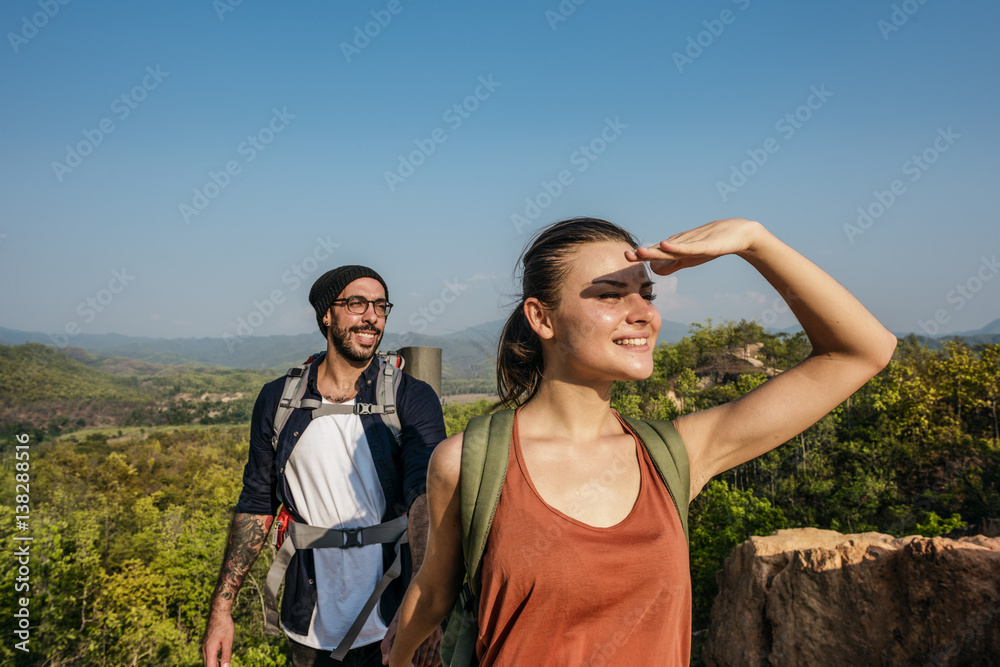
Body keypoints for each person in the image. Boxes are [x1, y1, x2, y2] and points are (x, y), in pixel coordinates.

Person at [384, 218, 897, 666]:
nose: (644, 313)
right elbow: (433, 592)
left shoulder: (674, 455)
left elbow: (862, 352)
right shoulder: (469, 463)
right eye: (610, 294)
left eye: (646, 295)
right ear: (541, 318)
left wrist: (753, 240)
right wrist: (398, 659)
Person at [203, 265, 446, 667]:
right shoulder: (278, 400)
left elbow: (426, 499)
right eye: (356, 304)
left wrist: (424, 609)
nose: (372, 316)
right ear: (326, 316)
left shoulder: (410, 397)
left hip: (394, 618)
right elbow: (256, 504)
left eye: (380, 306)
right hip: (308, 621)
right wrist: (221, 611)